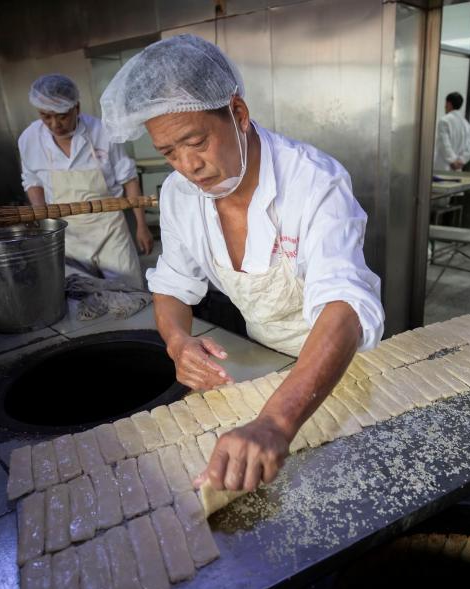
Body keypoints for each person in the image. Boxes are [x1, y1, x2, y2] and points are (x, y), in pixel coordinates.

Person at [100, 34, 384, 493]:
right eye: (169, 153)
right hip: (262, 360)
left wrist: (274, 421)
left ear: (238, 114)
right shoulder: (179, 195)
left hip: (337, 365)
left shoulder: (313, 181)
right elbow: (173, 284)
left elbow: (344, 303)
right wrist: (177, 344)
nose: (188, 166)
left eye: (195, 142)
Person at [18, 74, 153, 290]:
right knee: (80, 295)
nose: (54, 124)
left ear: (76, 108)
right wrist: (42, 222)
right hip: (66, 232)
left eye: (62, 116)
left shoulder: (101, 132)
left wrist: (141, 226)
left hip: (109, 228)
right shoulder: (29, 138)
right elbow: (32, 181)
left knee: (129, 291)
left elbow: (129, 179)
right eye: (46, 117)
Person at [433, 92, 470, 172]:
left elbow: (444, 143)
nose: (445, 107)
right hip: (457, 169)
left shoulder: (444, 121)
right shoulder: (467, 125)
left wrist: (453, 161)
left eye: (445, 104)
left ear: (449, 104)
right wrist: (461, 160)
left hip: (443, 167)